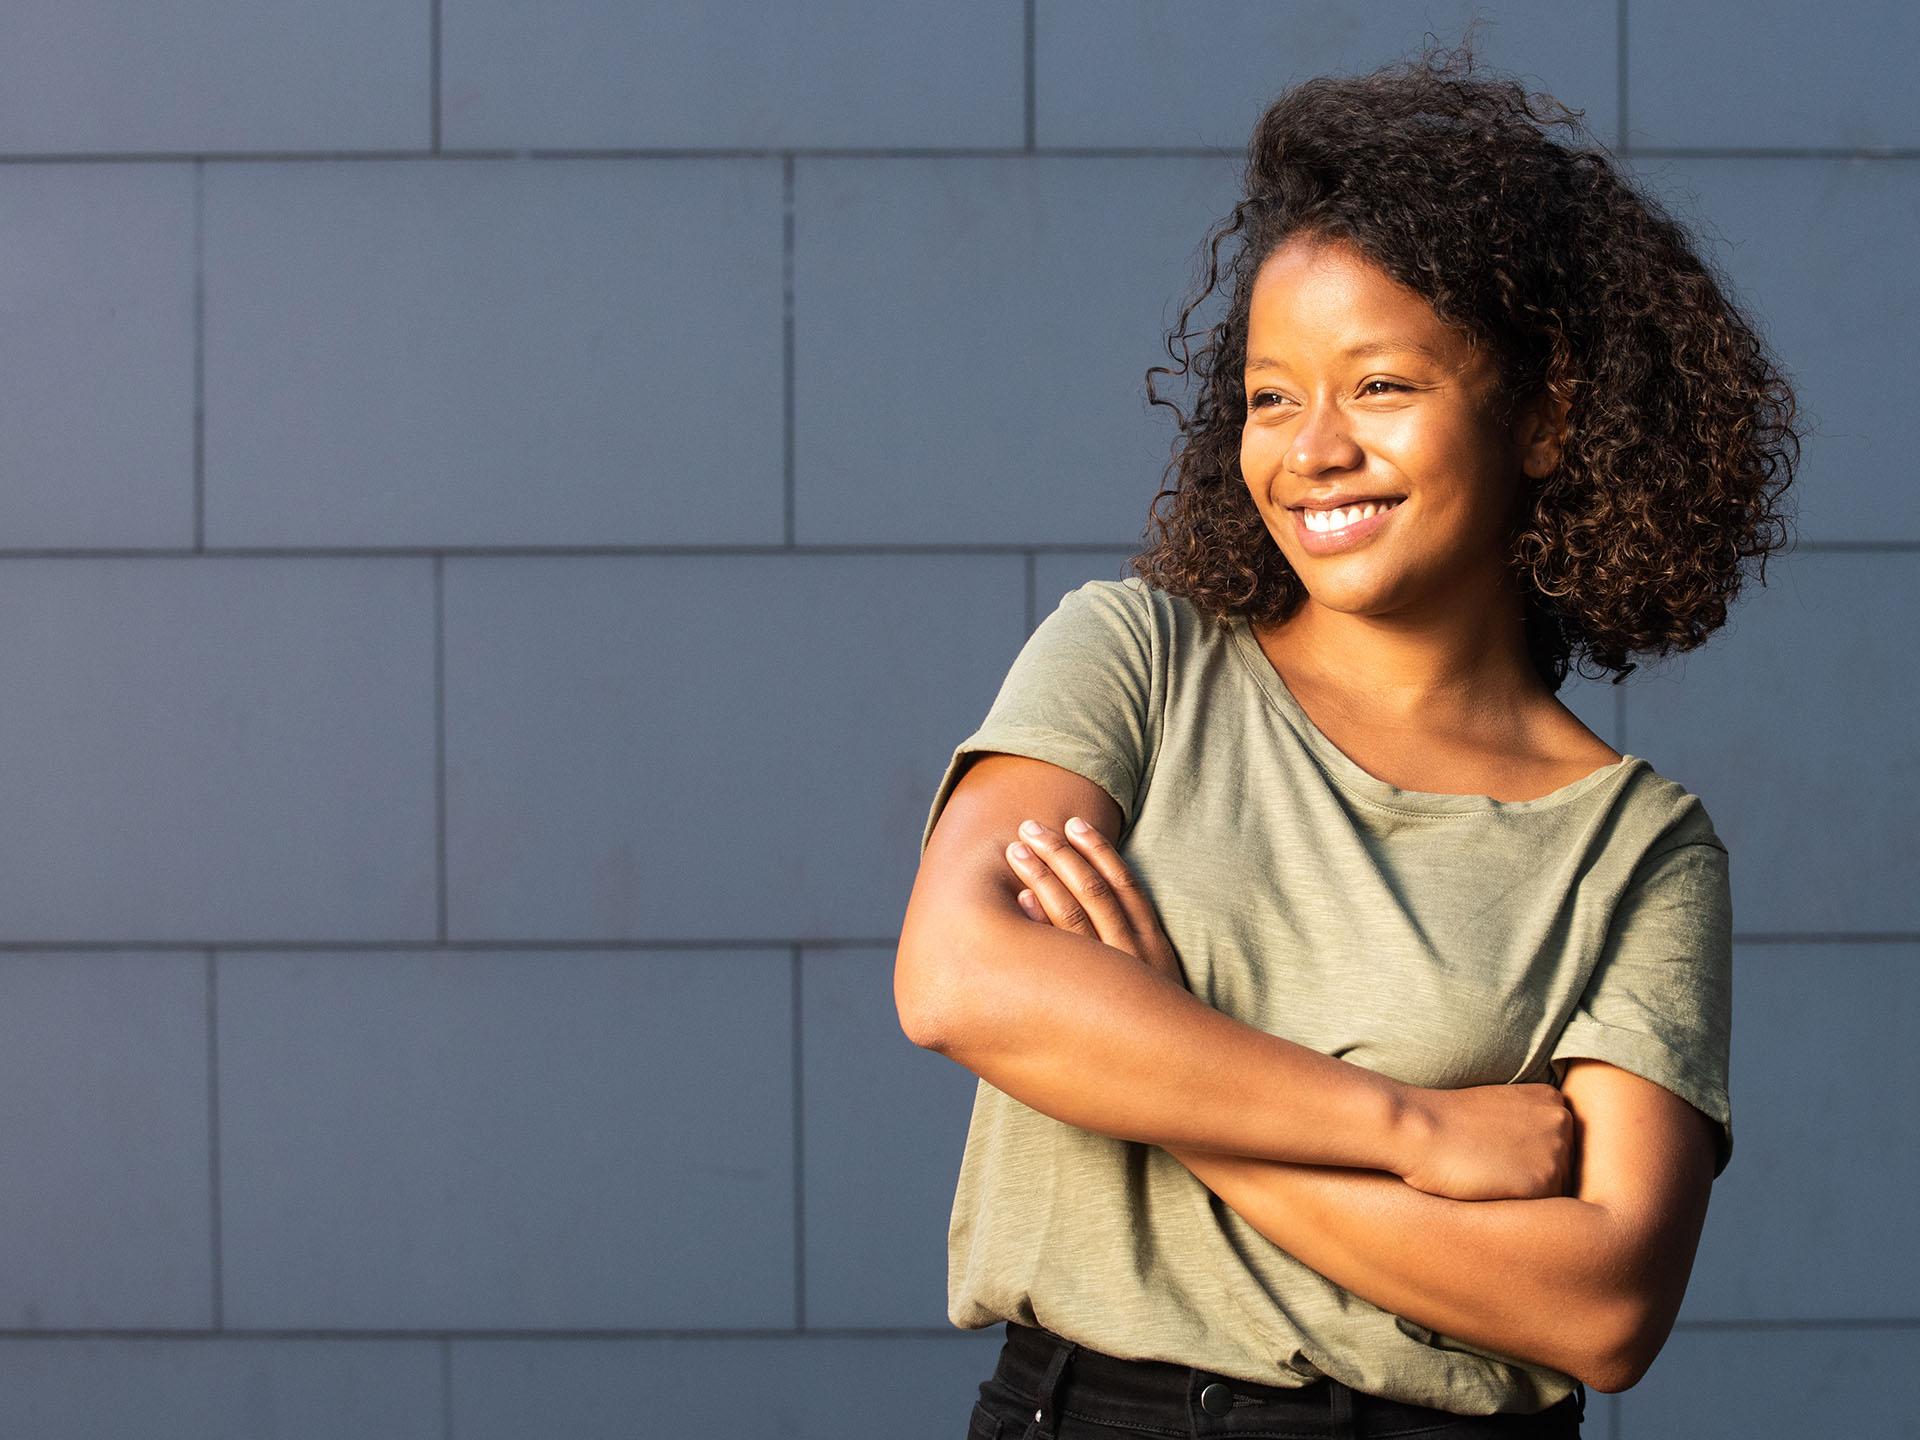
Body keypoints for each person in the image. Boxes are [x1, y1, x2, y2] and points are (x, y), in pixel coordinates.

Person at [895, 37, 1799, 1440]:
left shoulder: (1635, 849)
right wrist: (1416, 1133)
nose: (1311, 449)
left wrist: (1162, 1071)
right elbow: (959, 978)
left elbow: (1603, 1306)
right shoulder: (1136, 659)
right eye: (1271, 394)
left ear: (1547, 415)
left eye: (1380, 385)